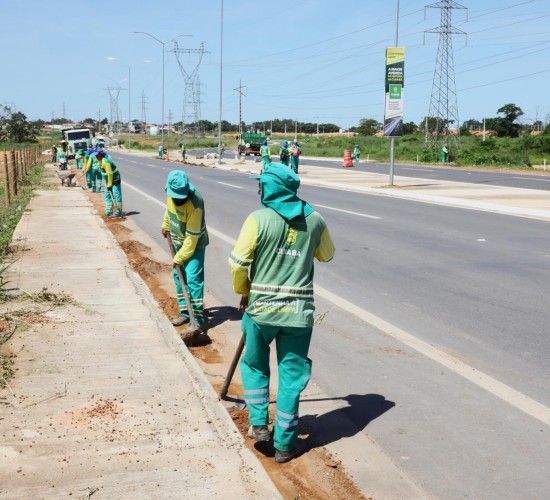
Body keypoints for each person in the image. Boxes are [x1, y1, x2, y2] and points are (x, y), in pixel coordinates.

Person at [229, 163, 335, 463]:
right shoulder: (314, 219)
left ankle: (259, 425)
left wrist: (244, 291)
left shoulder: (258, 219)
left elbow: (238, 263)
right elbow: (327, 255)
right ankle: (285, 446)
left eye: (261, 184)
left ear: (272, 188)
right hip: (298, 315)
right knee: (291, 377)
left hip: (260, 311)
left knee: (255, 366)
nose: (258, 189)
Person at [161, 170, 209, 332]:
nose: (177, 199)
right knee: (179, 276)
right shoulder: (170, 195)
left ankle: (198, 320)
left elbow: (191, 239)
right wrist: (166, 225)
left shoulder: (196, 204)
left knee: (193, 278)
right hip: (176, 240)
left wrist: (179, 259)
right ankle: (186, 313)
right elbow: (169, 211)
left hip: (195, 244)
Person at [96, 149, 122, 217]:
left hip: (115, 178)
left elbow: (110, 174)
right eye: (96, 155)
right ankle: (109, 211)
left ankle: (118, 211)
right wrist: (108, 183)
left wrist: (109, 185)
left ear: (101, 155)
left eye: (98, 155)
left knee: (116, 194)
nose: (96, 156)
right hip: (108, 179)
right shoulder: (100, 161)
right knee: (107, 194)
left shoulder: (106, 162)